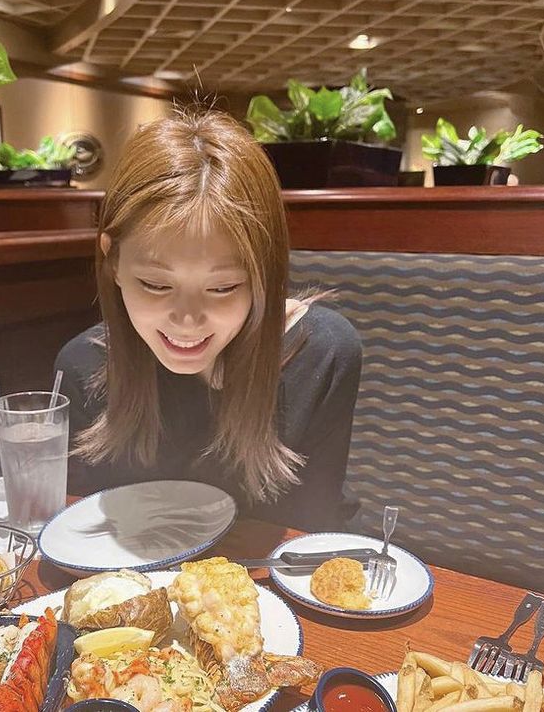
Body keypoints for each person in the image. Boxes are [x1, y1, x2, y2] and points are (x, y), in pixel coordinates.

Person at [54, 108, 362, 531]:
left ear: (262, 277)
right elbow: (91, 533)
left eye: (223, 288)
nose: (186, 320)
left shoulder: (323, 354)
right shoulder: (84, 368)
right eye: (155, 285)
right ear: (113, 262)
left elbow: (310, 536)